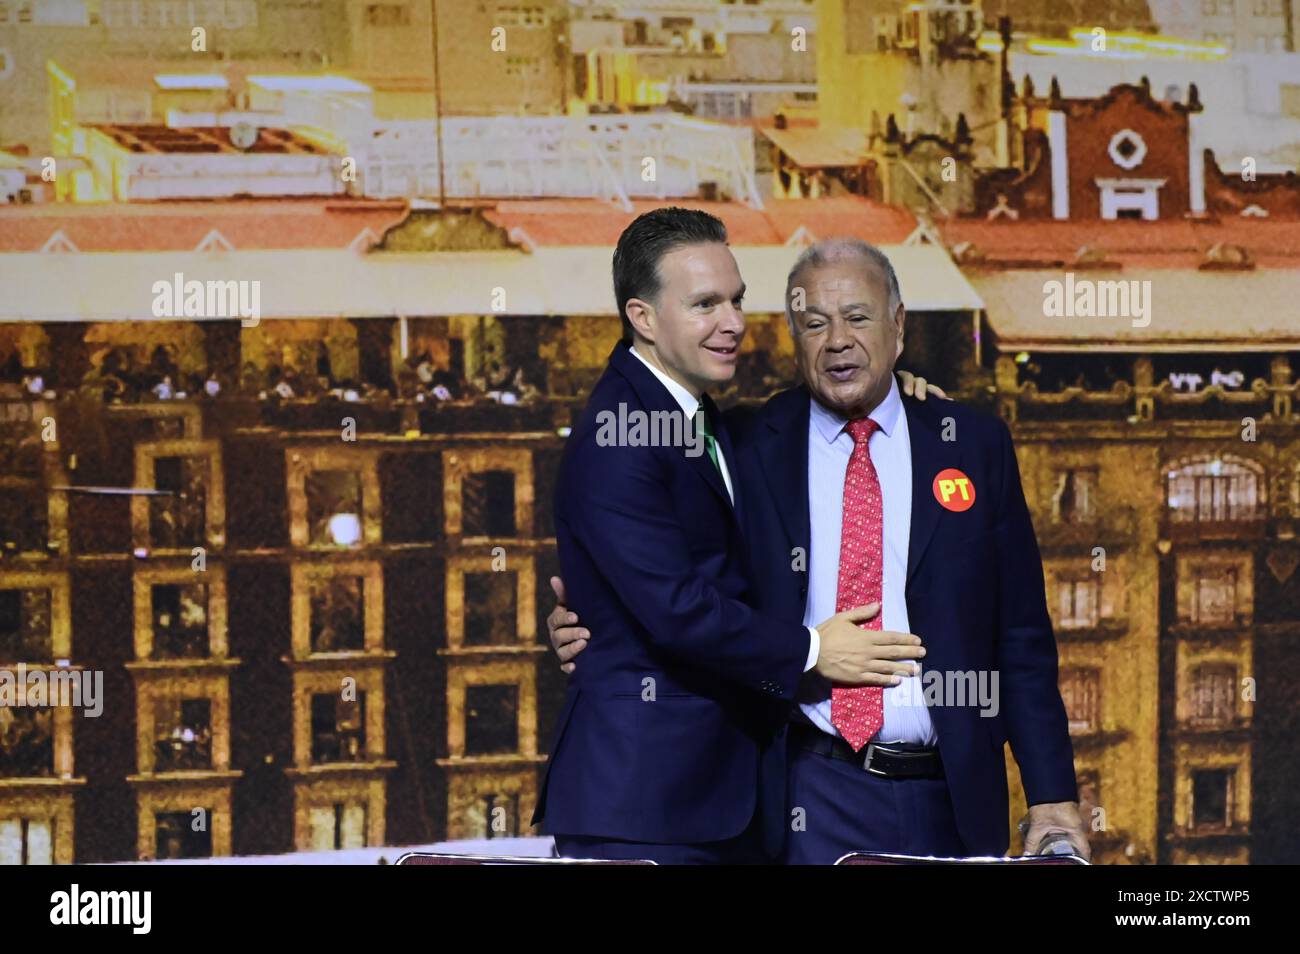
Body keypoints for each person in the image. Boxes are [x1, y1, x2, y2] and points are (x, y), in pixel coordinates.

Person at [550, 237, 1090, 864]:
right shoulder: (744, 445)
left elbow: (1020, 634)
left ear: (898, 325)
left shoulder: (971, 444)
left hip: (952, 796)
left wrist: (1052, 794)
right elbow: (676, 570)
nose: (837, 340)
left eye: (858, 318)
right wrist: (594, 619)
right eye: (814, 323)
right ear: (793, 338)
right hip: (804, 790)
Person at [534, 210, 919, 864]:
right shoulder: (619, 435)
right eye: (705, 304)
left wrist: (906, 397)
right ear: (644, 318)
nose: (734, 322)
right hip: (645, 807)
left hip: (717, 800)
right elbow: (677, 609)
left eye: (737, 299)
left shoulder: (699, 417)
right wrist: (811, 649)